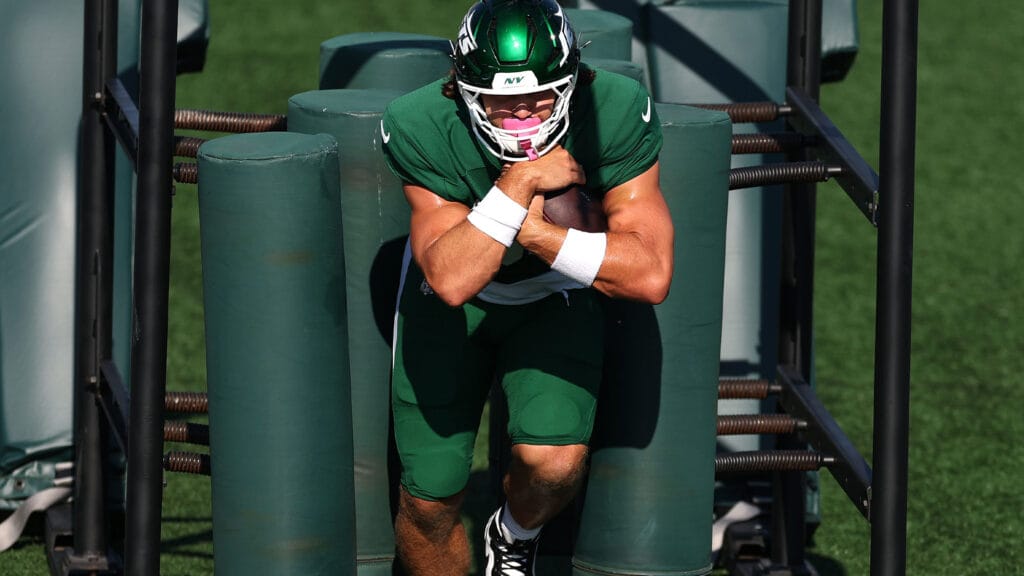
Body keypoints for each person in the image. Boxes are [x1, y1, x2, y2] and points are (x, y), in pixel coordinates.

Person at [380, 1, 674, 574]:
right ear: (460, 89)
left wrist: (533, 231)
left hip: (552, 294)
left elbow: (650, 273)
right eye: (500, 99)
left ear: (573, 80)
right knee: (428, 499)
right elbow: (451, 279)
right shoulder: (420, 123)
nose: (522, 113)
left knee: (555, 464)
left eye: (541, 95)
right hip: (451, 309)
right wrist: (518, 186)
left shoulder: (613, 109)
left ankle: (512, 535)